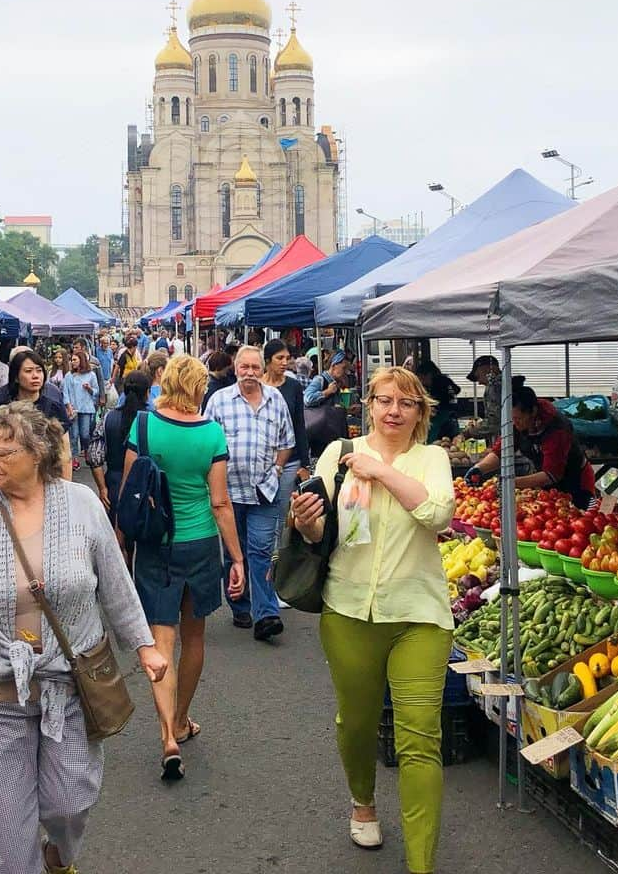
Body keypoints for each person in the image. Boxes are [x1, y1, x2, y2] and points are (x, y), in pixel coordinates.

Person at [0, 401, 167, 874]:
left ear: (38, 452)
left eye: (4, 452)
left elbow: (116, 583)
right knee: (7, 825)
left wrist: (144, 646)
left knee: (69, 800)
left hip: (70, 683)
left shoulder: (81, 505)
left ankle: (58, 856)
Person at [289, 366, 455, 872]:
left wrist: (381, 471)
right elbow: (320, 535)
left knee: (421, 736)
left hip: (419, 615)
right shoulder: (338, 455)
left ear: (420, 412)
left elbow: (438, 514)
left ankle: (421, 862)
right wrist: (307, 521)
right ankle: (363, 801)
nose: (393, 411)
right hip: (349, 610)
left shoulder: (432, 459)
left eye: (405, 403)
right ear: (370, 404)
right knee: (357, 723)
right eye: (384, 401)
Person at [120, 356, 245, 781]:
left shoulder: (144, 426)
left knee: (160, 640)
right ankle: (182, 719)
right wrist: (237, 557)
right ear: (198, 388)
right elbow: (221, 502)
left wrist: (123, 545)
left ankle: (165, 735)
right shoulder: (211, 433)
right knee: (194, 637)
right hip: (200, 543)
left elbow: (128, 492)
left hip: (156, 545)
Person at [203, 346, 294, 641]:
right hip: (228, 493)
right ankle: (239, 603)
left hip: (264, 490)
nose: (251, 373)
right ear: (235, 368)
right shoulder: (218, 401)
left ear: (262, 369)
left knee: (261, 550)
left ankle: (266, 613)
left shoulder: (276, 400)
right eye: (245, 368)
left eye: (255, 368)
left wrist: (278, 470)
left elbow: (286, 440)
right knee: (234, 551)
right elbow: (206, 442)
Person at [466, 376, 596, 508]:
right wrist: (479, 469)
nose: (514, 423)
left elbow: (552, 474)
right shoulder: (517, 423)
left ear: (533, 412)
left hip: (576, 483)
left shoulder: (557, 429)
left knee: (582, 518)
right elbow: (501, 451)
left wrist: (512, 483)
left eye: (518, 418)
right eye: (511, 419)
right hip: (547, 487)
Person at [0, 350, 72, 498]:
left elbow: (64, 452)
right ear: (16, 377)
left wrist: (66, 493)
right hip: (7, 484)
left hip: (45, 483)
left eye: (39, 370)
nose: (35, 376)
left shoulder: (53, 407)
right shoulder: (1, 405)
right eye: (28, 371)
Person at [263, 340, 312, 529]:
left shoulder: (293, 386)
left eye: (287, 358)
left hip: (290, 461)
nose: (284, 362)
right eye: (279, 358)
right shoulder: (257, 386)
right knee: (263, 511)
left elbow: (299, 425)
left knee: (282, 511)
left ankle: (278, 554)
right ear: (268, 360)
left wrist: (305, 464)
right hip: (263, 460)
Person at [89, 370, 151, 519]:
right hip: (146, 486)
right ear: (147, 392)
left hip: (114, 483)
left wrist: (102, 488)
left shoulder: (108, 417)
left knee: (116, 534)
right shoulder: (153, 419)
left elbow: (94, 457)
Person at [65, 347, 100, 470]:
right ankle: (74, 458)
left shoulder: (91, 375)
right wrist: (68, 406)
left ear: (82, 360)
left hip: (86, 407)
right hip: (74, 409)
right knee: (73, 434)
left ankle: (86, 450)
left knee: (85, 434)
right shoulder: (69, 376)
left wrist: (89, 389)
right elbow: (66, 392)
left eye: (75, 359)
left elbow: (96, 391)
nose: (72, 362)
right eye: (71, 360)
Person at [417, 362, 461, 444]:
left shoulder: (437, 385)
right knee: (452, 445)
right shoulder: (446, 380)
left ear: (429, 375)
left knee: (436, 444)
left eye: (421, 378)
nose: (421, 382)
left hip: (441, 419)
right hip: (453, 417)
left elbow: (434, 403)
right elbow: (457, 389)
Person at [462, 354, 501, 441]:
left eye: (478, 376)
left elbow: (494, 422)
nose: (479, 382)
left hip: (503, 441)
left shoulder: (495, 387)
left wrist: (470, 432)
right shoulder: (504, 384)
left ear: (488, 368)